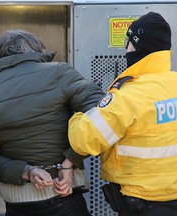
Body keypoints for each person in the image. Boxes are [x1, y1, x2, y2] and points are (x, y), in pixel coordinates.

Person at [0, 29, 104, 216]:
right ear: (37, 50)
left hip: (16, 205)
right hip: (63, 197)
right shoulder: (59, 72)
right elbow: (103, 115)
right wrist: (70, 161)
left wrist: (25, 171)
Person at [68, 11, 177, 216]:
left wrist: (77, 115)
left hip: (143, 205)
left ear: (137, 46)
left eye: (128, 42)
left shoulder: (127, 96)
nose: (126, 49)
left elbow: (83, 141)